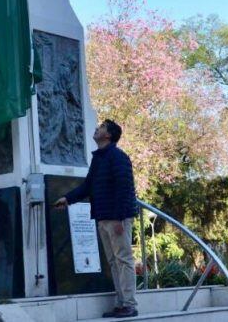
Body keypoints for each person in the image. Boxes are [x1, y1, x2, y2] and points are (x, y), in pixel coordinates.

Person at [54, 120, 138, 319]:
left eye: (100, 127)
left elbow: (124, 188)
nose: (96, 129)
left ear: (108, 135)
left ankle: (130, 304)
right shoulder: (99, 159)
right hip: (102, 217)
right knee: (113, 261)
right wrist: (67, 199)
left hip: (117, 218)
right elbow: (88, 186)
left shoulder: (118, 157)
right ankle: (121, 303)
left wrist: (118, 218)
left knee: (123, 260)